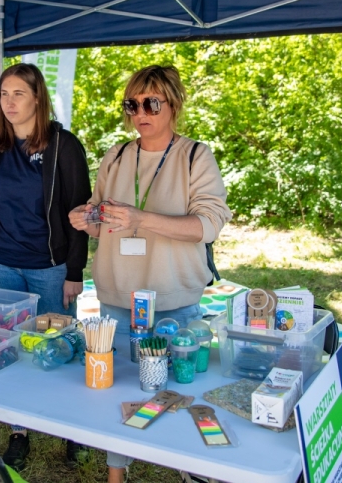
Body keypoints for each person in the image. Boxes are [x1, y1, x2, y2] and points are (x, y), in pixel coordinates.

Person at [69, 65, 231, 483]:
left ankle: (190, 467)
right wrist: (86, 218)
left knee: (181, 390)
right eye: (132, 104)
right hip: (118, 298)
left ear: (173, 104)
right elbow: (101, 218)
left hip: (173, 298)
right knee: (116, 392)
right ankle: (116, 472)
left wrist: (141, 218)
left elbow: (208, 225)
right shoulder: (117, 155)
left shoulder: (195, 156)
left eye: (151, 103)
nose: (140, 113)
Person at [0, 63, 91, 470]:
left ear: (38, 98)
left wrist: (75, 271)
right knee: (13, 349)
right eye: (4, 94)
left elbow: (81, 212)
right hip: (1, 264)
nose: (10, 101)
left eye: (19, 93)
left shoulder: (63, 146)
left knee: (60, 348)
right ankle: (19, 431)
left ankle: (72, 429)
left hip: (50, 268)